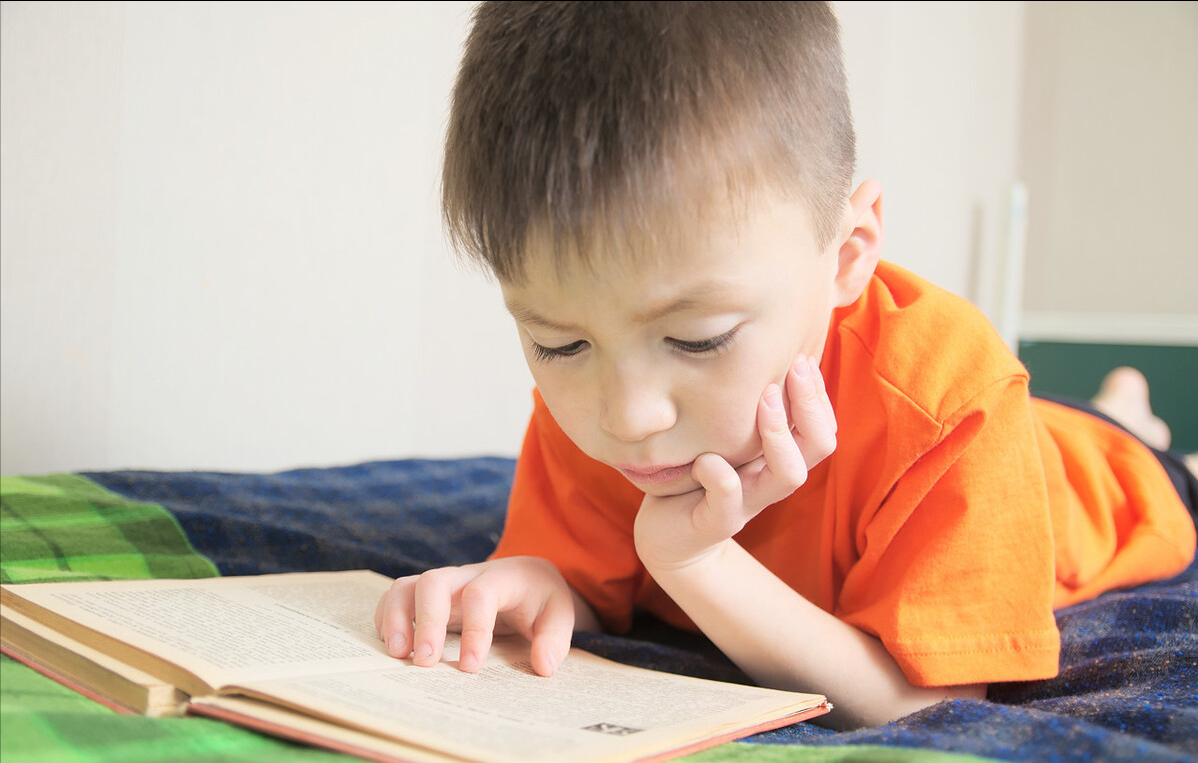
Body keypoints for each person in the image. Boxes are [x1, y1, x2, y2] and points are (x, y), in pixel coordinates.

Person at [375, 1, 1196, 729]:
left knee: (1142, 460)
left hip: (1089, 481)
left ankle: (1131, 417)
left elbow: (932, 703)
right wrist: (538, 586)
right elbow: (582, 576)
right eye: (559, 344)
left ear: (846, 255)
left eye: (698, 338)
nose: (627, 417)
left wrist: (697, 563)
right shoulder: (602, 398)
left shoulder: (954, 404)